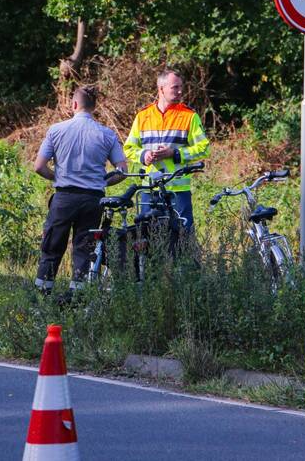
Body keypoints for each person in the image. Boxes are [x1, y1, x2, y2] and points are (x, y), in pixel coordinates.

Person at [33, 86, 127, 294]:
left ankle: (42, 293)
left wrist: (56, 177)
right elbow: (122, 171)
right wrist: (102, 182)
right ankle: (77, 296)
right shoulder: (107, 134)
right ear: (94, 107)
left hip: (64, 197)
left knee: (52, 246)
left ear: (74, 104)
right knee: (84, 249)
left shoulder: (56, 130)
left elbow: (39, 166)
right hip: (93, 200)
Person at [123, 69, 210, 253]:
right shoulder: (143, 116)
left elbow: (203, 147)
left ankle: (185, 278)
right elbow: (129, 148)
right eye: (175, 87)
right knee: (146, 240)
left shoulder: (189, 116)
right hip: (150, 189)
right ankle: (150, 278)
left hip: (178, 191)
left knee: (183, 240)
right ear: (161, 88)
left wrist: (175, 153)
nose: (180, 91)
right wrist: (144, 156)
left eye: (181, 87)